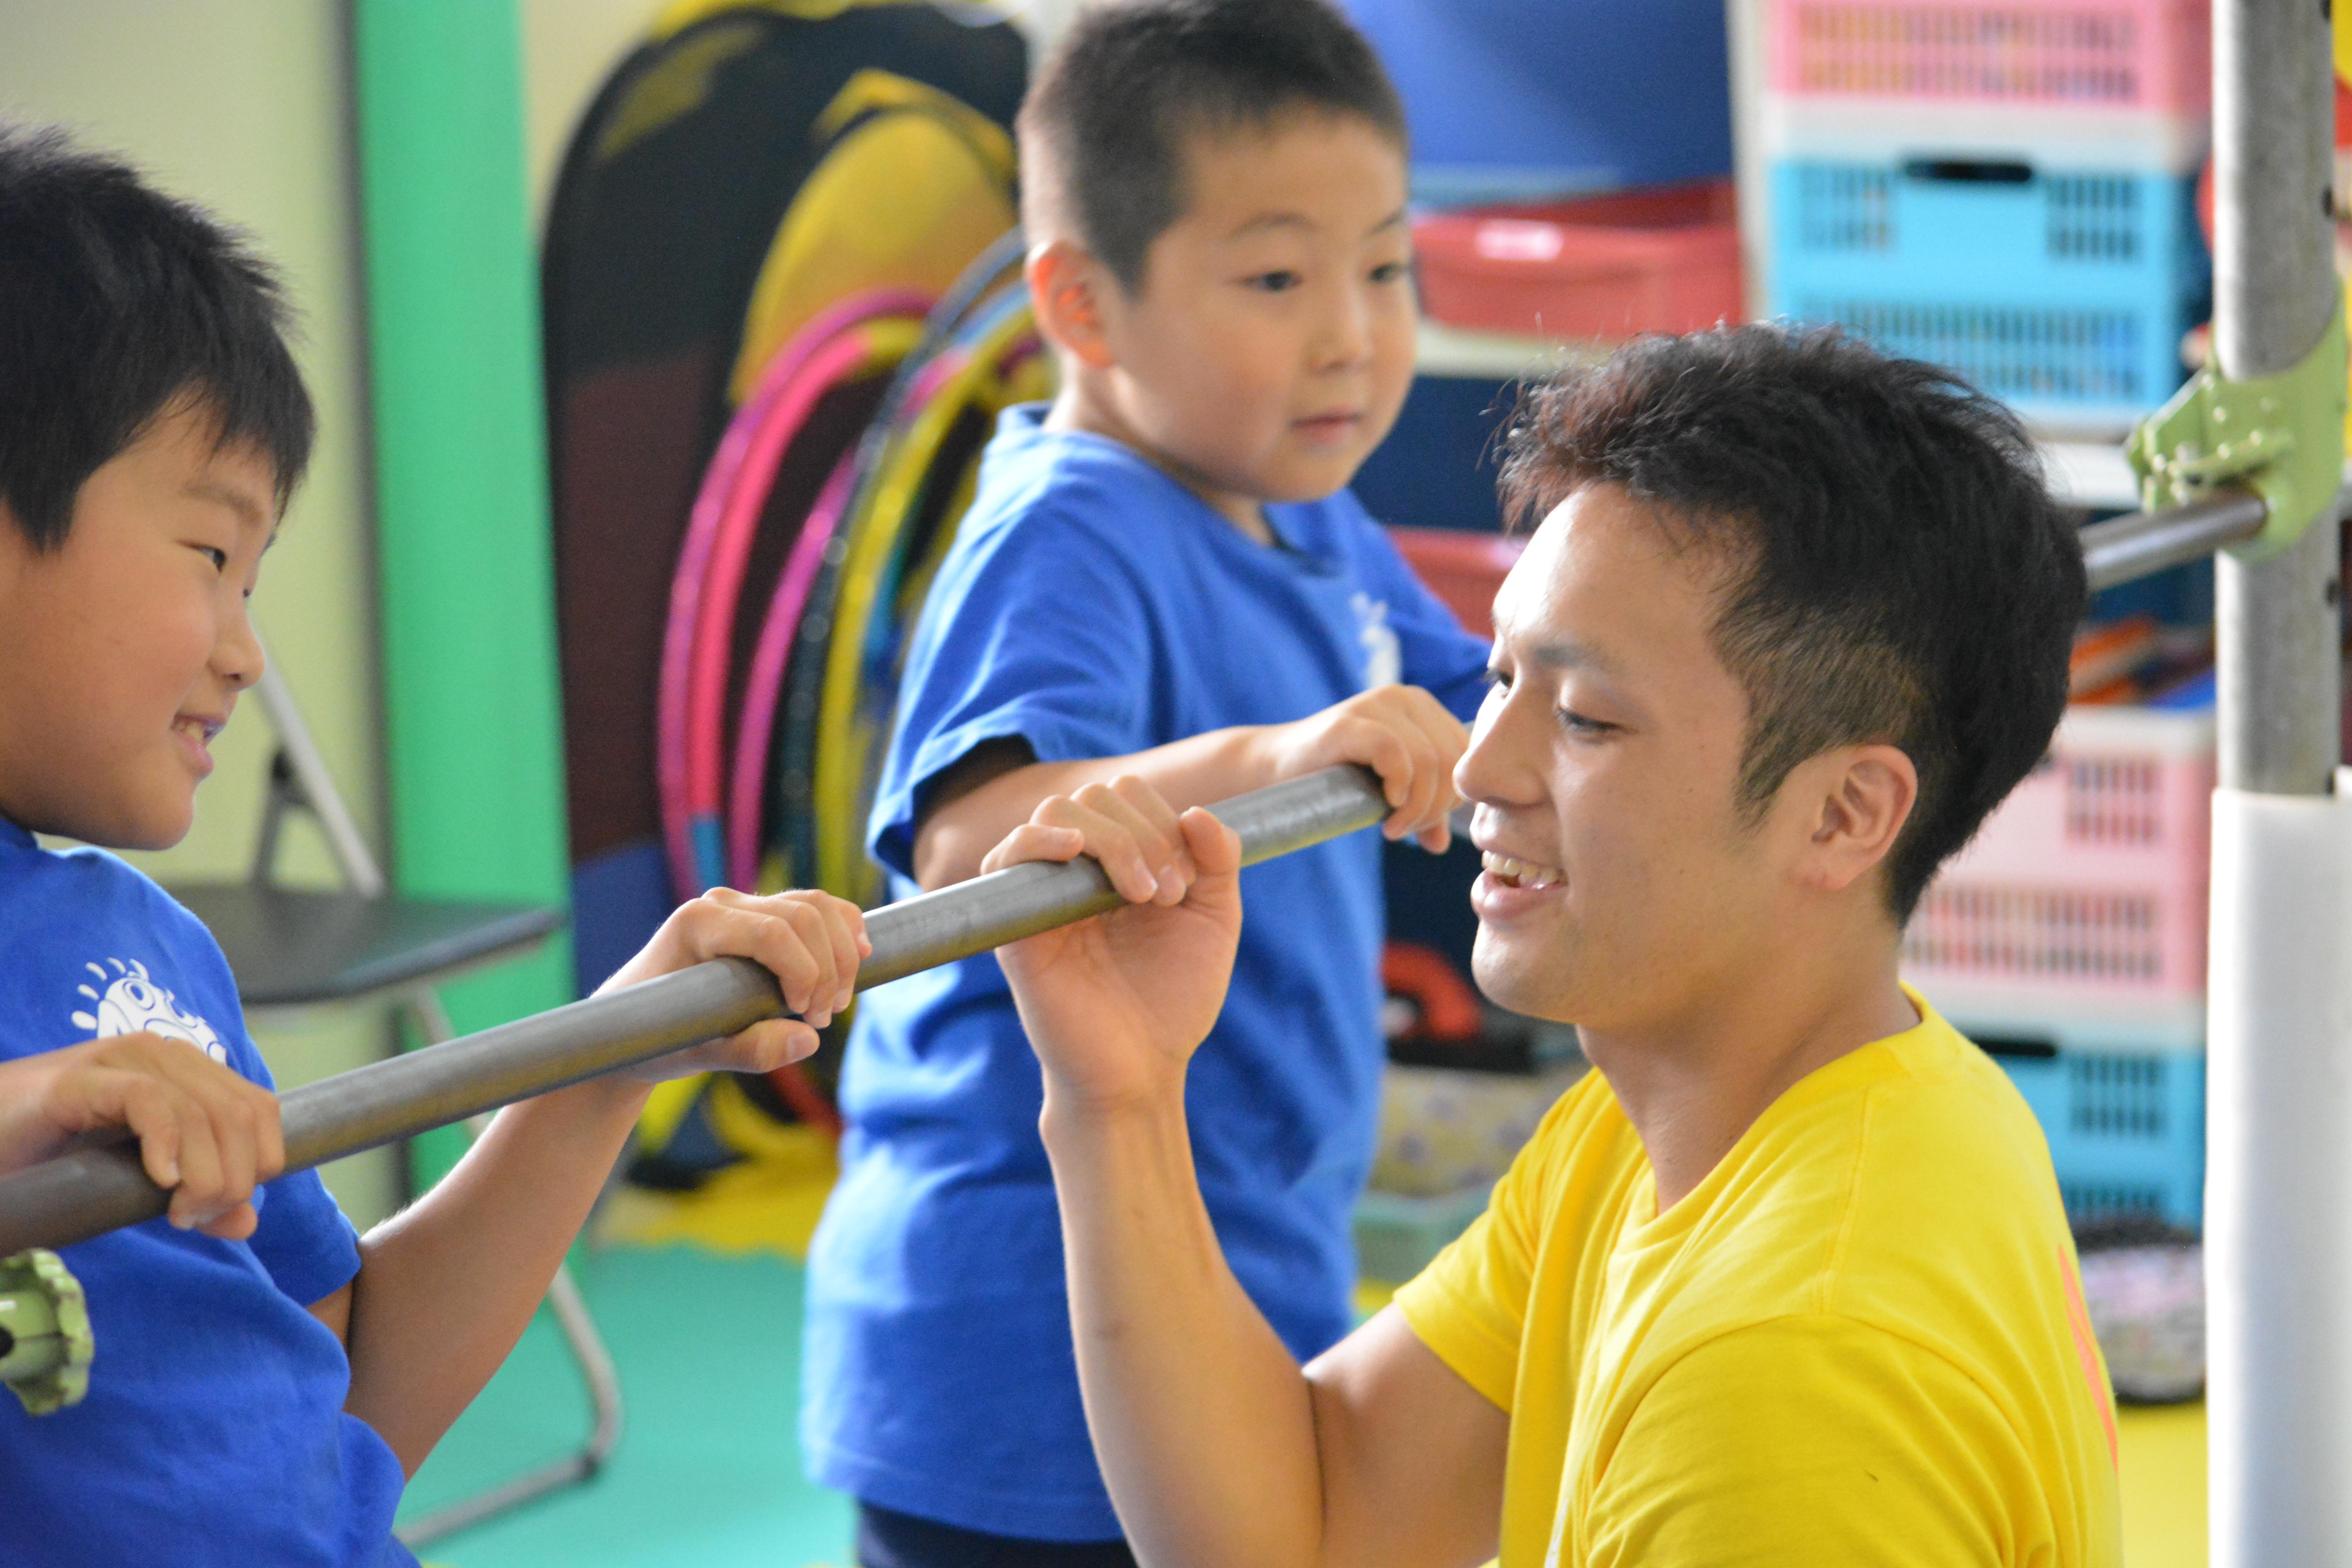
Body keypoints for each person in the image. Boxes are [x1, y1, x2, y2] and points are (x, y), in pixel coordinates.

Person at [984, 326, 2125, 1566]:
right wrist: (1123, 1097)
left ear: (1845, 814)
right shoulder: (1686, 1122)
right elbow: (1306, 1525)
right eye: (1500, 675)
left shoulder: (1783, 1366)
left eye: (1584, 717)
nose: (1481, 767)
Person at [0, 123, 870, 1566]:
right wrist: (29, 1110)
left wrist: (606, 1061)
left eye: (257, 578)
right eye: (211, 558)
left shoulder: (146, 950)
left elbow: (352, 1382)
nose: (245, 652)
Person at [798, 2, 1490, 1559]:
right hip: (1022, 1336)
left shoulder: (1302, 509)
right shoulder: (1068, 528)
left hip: (1239, 1258)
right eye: (1275, 277)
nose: (1354, 336)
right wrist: (1285, 757)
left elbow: (1485, 710)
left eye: (1385, 267)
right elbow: (972, 835)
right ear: (1086, 305)